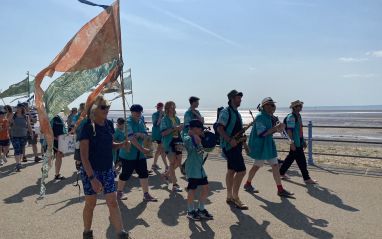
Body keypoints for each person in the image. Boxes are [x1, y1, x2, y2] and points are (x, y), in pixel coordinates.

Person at [79, 95, 131, 239]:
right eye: (103, 107)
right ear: (95, 109)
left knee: (113, 202)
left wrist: (122, 145)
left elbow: (110, 145)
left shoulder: (108, 124)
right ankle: (87, 232)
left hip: (108, 169)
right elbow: (84, 156)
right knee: (91, 204)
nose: (106, 109)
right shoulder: (87, 126)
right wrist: (92, 178)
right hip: (91, 171)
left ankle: (121, 234)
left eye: (107, 106)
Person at [244, 97, 294, 197]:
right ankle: (247, 184)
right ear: (264, 106)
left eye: (273, 105)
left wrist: (280, 128)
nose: (273, 106)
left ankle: (280, 189)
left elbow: (274, 131)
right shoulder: (260, 117)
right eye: (270, 105)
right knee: (256, 166)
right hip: (261, 146)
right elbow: (262, 133)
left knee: (274, 165)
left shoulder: (270, 117)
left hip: (268, 145)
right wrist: (276, 128)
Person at [116, 104, 158, 202]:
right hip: (128, 154)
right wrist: (142, 149)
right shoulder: (127, 123)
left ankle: (146, 194)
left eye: (140, 111)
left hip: (140, 155)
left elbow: (145, 135)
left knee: (144, 174)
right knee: (125, 174)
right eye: (136, 111)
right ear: (131, 112)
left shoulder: (140, 121)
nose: (138, 113)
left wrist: (139, 134)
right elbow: (131, 138)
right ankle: (119, 192)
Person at [216, 90, 248, 209]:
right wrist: (230, 140)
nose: (240, 99)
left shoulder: (236, 113)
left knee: (231, 171)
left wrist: (242, 139)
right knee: (242, 171)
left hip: (236, 145)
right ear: (231, 99)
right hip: (230, 146)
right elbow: (220, 128)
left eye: (240, 97)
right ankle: (235, 197)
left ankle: (229, 196)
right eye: (238, 97)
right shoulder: (226, 111)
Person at [279, 100, 317, 184]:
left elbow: (299, 130)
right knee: (302, 161)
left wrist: (302, 140)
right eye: (298, 106)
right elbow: (289, 131)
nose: (300, 107)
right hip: (294, 142)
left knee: (290, 158)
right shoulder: (291, 117)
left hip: (298, 141)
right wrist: (291, 143)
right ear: (294, 107)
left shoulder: (298, 116)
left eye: (300, 106)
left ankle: (281, 173)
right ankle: (306, 178)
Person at [184, 119, 213, 221]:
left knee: (205, 188)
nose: (202, 130)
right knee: (192, 190)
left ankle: (201, 209)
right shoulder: (187, 138)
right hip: (192, 168)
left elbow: (206, 148)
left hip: (199, 169)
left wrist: (205, 136)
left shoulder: (198, 136)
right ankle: (190, 211)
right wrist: (194, 134)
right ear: (195, 128)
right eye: (201, 128)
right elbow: (196, 143)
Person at [160, 101, 184, 192]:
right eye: (171, 106)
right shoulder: (164, 119)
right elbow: (163, 133)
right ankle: (175, 184)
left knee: (179, 162)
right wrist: (174, 128)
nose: (173, 108)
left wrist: (180, 129)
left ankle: (166, 174)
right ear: (167, 108)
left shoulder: (177, 118)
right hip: (168, 143)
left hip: (178, 141)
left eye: (174, 106)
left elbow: (178, 131)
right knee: (172, 162)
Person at [10, 104, 32, 172]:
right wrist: (11, 122)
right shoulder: (13, 116)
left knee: (21, 150)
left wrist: (31, 133)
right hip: (14, 135)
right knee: (17, 149)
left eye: (20, 108)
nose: (18, 109)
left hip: (23, 135)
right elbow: (9, 124)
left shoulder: (26, 116)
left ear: (22, 109)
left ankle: (19, 162)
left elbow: (28, 125)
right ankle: (18, 164)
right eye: (17, 108)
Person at [151, 102, 168, 171]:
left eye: (160, 107)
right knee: (162, 150)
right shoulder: (154, 114)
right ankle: (166, 166)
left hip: (164, 133)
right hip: (158, 134)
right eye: (157, 107)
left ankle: (154, 164)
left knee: (159, 150)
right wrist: (160, 116)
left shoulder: (165, 114)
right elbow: (156, 124)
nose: (158, 108)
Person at [50, 113, 67, 180]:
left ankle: (57, 174)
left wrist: (65, 136)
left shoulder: (59, 117)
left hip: (60, 140)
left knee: (59, 157)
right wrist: (53, 137)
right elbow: (47, 130)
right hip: (51, 141)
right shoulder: (50, 118)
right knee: (49, 158)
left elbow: (64, 129)